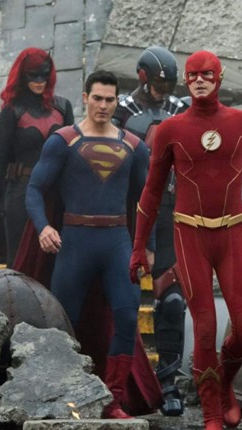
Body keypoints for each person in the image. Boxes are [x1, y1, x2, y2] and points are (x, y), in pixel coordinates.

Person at [129, 50, 242, 430]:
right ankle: (211, 412)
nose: (200, 80)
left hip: (232, 232)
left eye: (207, 74)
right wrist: (138, 247)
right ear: (186, 80)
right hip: (189, 235)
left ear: (220, 77)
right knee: (203, 327)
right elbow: (152, 192)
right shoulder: (171, 129)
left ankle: (225, 382)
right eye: (193, 75)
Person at [24, 70, 157, 419]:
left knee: (127, 316)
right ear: (85, 98)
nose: (103, 105)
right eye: (97, 98)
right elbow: (35, 189)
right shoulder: (63, 141)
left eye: (110, 99)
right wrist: (43, 227)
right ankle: (64, 395)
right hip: (74, 242)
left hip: (117, 241)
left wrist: (148, 246)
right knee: (63, 323)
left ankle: (113, 400)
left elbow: (147, 200)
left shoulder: (134, 146)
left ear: (117, 102)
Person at [112, 46, 188, 417]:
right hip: (127, 211)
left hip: (170, 212)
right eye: (158, 84)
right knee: (120, 303)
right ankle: (118, 384)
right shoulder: (120, 110)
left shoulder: (180, 109)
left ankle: (169, 381)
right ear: (143, 77)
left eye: (168, 85)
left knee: (172, 301)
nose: (163, 91)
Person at [0, 47, 74, 268]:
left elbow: (72, 153)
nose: (39, 81)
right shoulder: (12, 110)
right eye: (33, 76)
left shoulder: (62, 107)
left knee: (56, 260)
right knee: (19, 260)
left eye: (43, 75)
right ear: (22, 76)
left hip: (56, 190)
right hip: (21, 189)